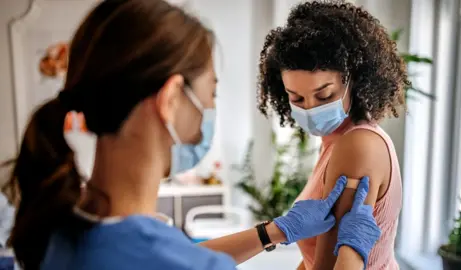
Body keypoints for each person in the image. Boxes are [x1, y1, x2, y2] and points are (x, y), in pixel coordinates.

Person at [1, 1, 379, 269]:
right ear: (169, 101)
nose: (211, 110)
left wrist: (276, 230)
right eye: (211, 93)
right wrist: (352, 253)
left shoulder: (57, 222)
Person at [257, 1, 407, 269]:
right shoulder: (334, 141)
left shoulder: (357, 145)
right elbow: (311, 260)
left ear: (354, 79)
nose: (312, 109)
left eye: (324, 95)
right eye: (297, 99)